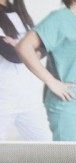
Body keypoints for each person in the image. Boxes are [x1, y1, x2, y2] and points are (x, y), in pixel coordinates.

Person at [15, 0, 76, 141]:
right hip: (68, 105)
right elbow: (24, 47)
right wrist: (51, 82)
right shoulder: (58, 18)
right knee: (70, 161)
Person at [0, 0, 51, 139]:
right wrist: (27, 48)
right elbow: (12, 55)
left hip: (29, 97)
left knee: (46, 147)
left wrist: (20, 47)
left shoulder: (20, 13)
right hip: (3, 97)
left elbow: (45, 46)